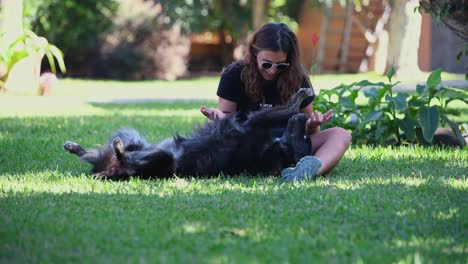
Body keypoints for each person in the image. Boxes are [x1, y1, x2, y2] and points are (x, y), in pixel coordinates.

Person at [200, 22, 351, 182]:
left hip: (288, 149)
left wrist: (312, 125)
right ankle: (295, 171)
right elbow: (226, 127)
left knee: (341, 134)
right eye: (266, 64)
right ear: (253, 51)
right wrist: (221, 120)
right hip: (250, 150)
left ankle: (309, 172)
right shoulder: (234, 74)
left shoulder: (297, 78)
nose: (272, 70)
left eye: (281, 65)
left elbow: (311, 134)